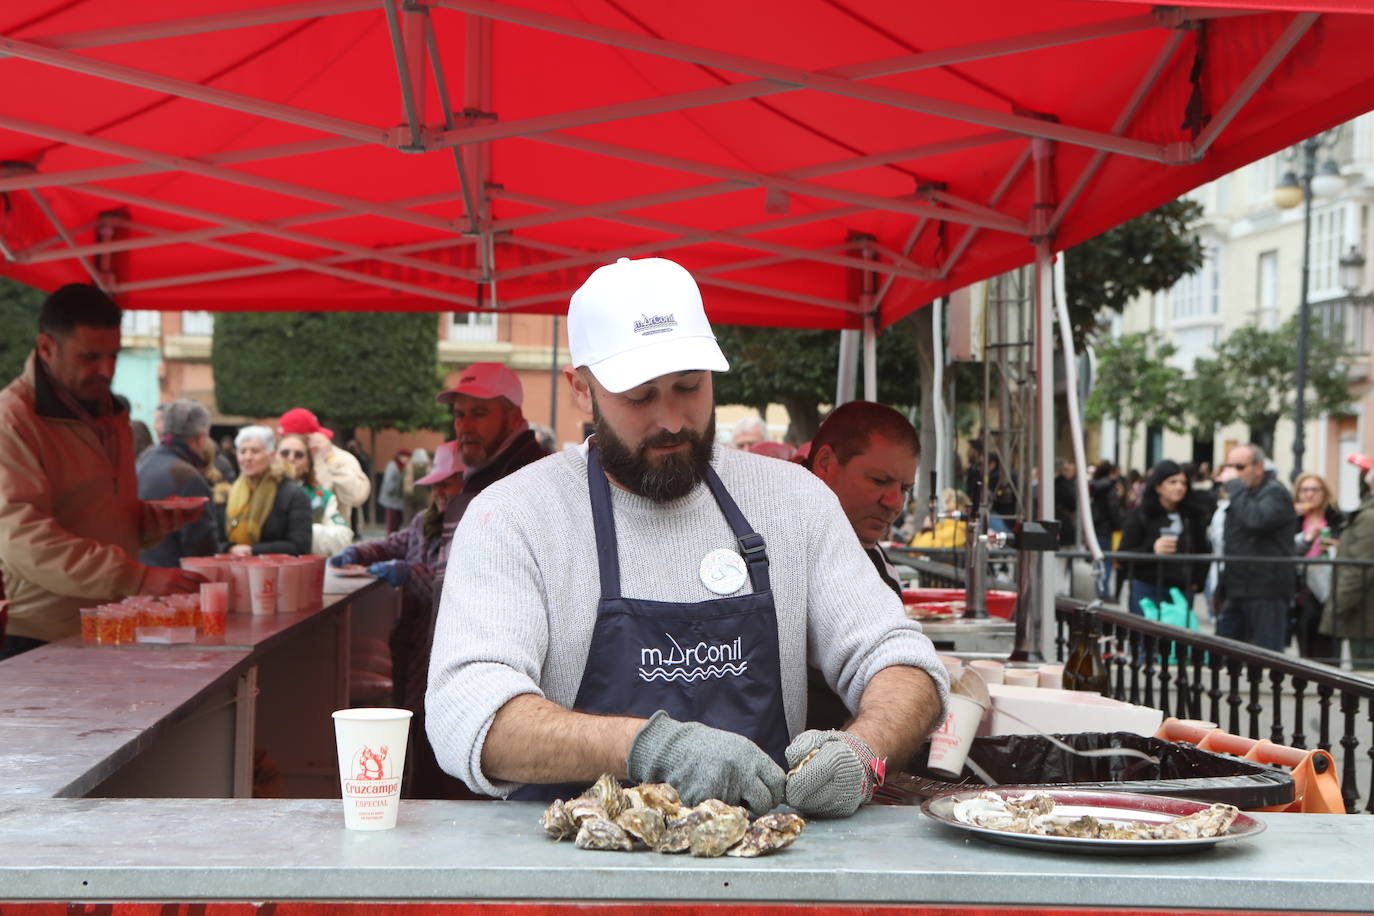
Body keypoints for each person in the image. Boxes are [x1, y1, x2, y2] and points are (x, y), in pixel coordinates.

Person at [427, 256, 947, 818]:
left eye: (689, 386)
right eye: (640, 397)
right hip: (568, 862)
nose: (672, 420)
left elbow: (902, 660)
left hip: (764, 856)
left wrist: (864, 750)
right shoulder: (514, 516)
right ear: (581, 389)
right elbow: (467, 712)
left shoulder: (795, 503)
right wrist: (646, 747)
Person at [0, 284, 204, 658]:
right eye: (90, 357)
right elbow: (22, 540)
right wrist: (137, 577)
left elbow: (91, 512)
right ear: (46, 348)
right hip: (38, 632)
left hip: (110, 620)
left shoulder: (111, 413)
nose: (106, 370)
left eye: (114, 355)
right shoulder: (11, 421)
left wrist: (146, 521)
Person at [331, 440, 465, 795]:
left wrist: (408, 572)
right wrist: (358, 552)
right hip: (411, 645)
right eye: (436, 485)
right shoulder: (424, 522)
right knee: (410, 724)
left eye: (448, 483)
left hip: (442, 648)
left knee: (433, 734)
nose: (440, 492)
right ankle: (409, 792)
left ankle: (427, 797)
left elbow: (454, 586)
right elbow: (392, 544)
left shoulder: (475, 523)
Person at [808, 400, 919, 597]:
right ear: (825, 464)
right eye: (879, 480)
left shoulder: (879, 570)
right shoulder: (768, 546)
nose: (895, 503)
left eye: (905, 489)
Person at [1216, 444, 1296, 652]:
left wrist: (1234, 487)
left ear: (1259, 467)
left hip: (1266, 589)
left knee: (1267, 655)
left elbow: (1256, 520)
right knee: (1225, 652)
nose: (1233, 473)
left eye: (1240, 467)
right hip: (1237, 586)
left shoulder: (1275, 492)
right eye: (1229, 466)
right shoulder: (1242, 493)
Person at [1117, 460, 1209, 619]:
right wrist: (1152, 550)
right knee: (1145, 633)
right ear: (1158, 486)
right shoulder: (1141, 514)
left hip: (1181, 590)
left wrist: (1196, 582)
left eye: (1183, 483)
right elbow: (1123, 556)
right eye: (1172, 482)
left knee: (1178, 634)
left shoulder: (1192, 516)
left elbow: (1202, 550)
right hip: (1148, 587)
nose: (1179, 487)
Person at [136, 399, 219, 568]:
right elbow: (202, 549)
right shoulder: (186, 476)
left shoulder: (142, 460)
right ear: (201, 437)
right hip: (172, 576)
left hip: (138, 571)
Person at [221, 426, 311, 557]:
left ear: (272, 455)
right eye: (242, 451)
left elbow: (300, 545)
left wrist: (252, 550)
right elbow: (216, 539)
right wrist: (229, 548)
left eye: (255, 451)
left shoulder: (293, 494)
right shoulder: (229, 492)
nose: (247, 457)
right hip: (232, 566)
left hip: (274, 568)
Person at [277, 407, 371, 527]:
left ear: (309, 438)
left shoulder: (340, 458)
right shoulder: (281, 457)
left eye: (285, 437)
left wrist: (331, 459)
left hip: (329, 536)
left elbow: (357, 497)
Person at [1320, 465, 1374, 667]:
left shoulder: (1369, 517)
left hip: (1366, 616)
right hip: (1365, 614)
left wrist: (1337, 607)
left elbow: (1359, 569)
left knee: (1365, 675)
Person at [1292, 472, 1343, 661]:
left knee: (1330, 648)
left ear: (1324, 493)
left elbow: (1348, 547)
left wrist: (1336, 546)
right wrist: (1307, 538)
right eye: (1304, 490)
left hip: (1331, 589)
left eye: (1315, 489)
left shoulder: (1337, 519)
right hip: (1302, 591)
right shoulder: (1293, 520)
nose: (1309, 494)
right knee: (1306, 649)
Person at [276, 432, 354, 556]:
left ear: (308, 464)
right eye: (285, 453)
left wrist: (302, 531)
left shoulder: (321, 497)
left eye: (299, 455)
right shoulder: (258, 491)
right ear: (273, 458)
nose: (291, 458)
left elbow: (344, 538)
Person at [1088, 461, 1125, 599]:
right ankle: (1103, 591)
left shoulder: (1095, 485)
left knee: (1099, 560)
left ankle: (1099, 589)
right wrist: (1120, 524)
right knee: (1107, 561)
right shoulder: (1110, 487)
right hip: (1107, 528)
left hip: (1096, 526)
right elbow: (1113, 509)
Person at [378, 449, 411, 534]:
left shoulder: (402, 466)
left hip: (398, 500)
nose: (407, 459)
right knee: (391, 525)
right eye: (406, 457)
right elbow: (388, 483)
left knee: (397, 524)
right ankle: (390, 540)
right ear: (401, 457)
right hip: (391, 500)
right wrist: (399, 487)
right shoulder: (393, 465)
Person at [1054, 459, 1078, 547]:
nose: (1067, 472)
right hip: (1065, 521)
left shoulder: (1070, 484)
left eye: (1070, 470)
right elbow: (1073, 502)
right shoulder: (1063, 484)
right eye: (1065, 469)